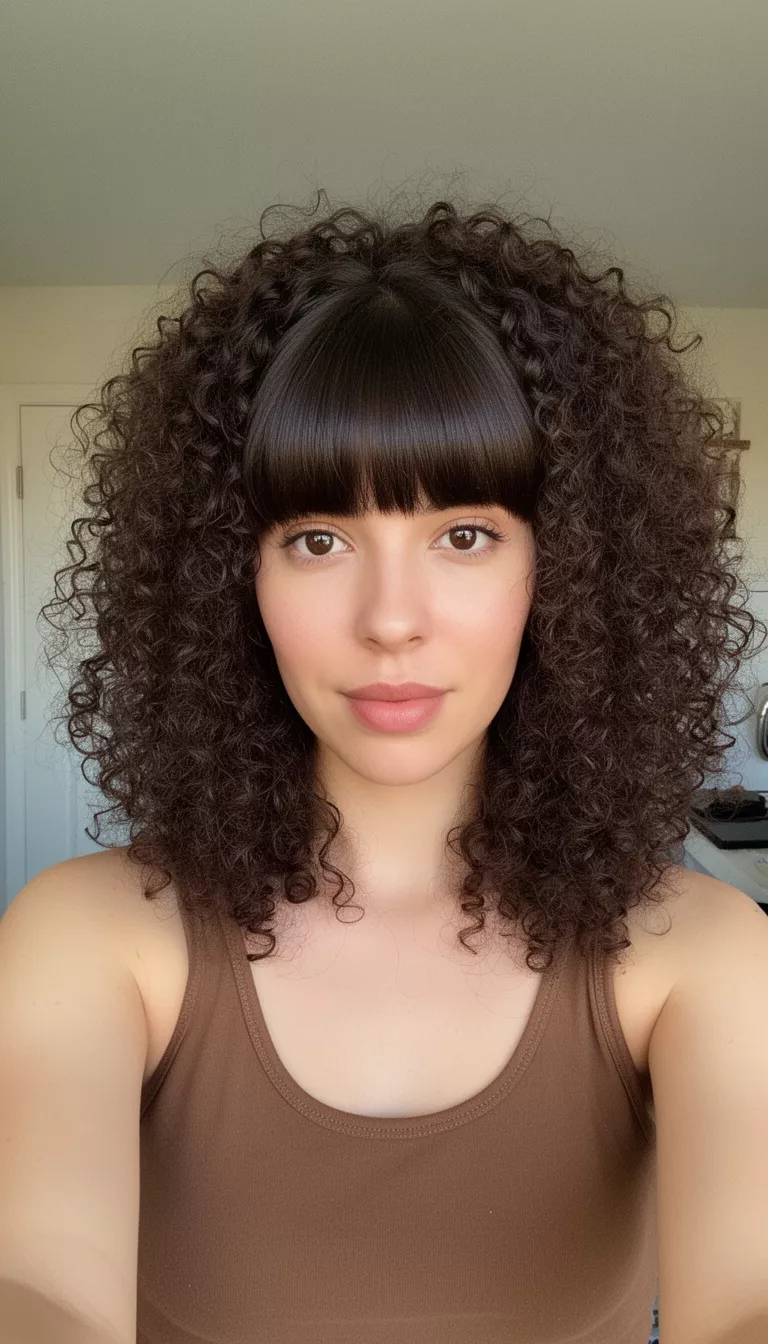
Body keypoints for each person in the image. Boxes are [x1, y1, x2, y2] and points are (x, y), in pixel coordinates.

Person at [1, 190, 762, 1344]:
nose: (391, 618)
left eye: (464, 534)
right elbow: (37, 1282)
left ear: (564, 573)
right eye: (317, 540)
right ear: (230, 580)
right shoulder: (89, 935)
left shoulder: (700, 955)